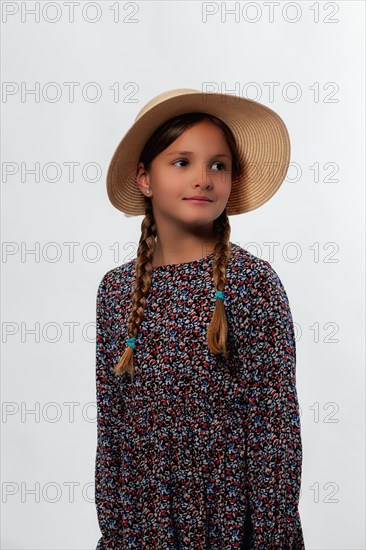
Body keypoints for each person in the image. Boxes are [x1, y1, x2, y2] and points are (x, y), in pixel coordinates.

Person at [94, 88, 305, 549]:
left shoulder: (252, 283)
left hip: (229, 519)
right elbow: (111, 424)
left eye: (218, 164)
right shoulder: (115, 291)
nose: (204, 179)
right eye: (181, 162)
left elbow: (275, 431)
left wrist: (273, 538)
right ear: (145, 178)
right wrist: (112, 530)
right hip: (143, 520)